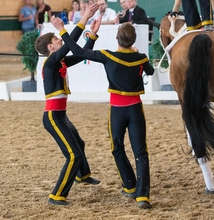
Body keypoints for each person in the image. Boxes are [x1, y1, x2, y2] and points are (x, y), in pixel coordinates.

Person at [51, 16, 154, 209]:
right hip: (135, 109)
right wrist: (138, 55)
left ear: (117, 37)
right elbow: (150, 72)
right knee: (141, 151)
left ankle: (130, 186)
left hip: (116, 110)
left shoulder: (108, 56)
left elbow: (79, 51)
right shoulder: (141, 58)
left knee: (117, 148)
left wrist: (64, 31)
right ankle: (143, 196)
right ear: (133, 41)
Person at [34, 4, 102, 206]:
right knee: (73, 155)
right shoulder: (51, 62)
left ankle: (83, 175)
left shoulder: (60, 61)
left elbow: (81, 54)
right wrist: (83, 19)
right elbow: (68, 46)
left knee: (79, 145)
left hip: (61, 115)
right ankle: (57, 195)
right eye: (56, 40)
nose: (60, 40)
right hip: (53, 117)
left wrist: (92, 36)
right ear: (50, 48)